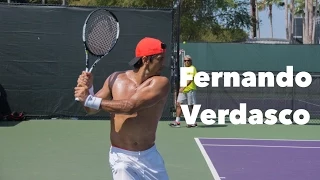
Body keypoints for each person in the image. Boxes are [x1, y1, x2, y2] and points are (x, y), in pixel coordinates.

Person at [74, 37, 170, 180]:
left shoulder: (161, 82)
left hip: (149, 158)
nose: (163, 64)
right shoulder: (115, 78)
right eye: (159, 59)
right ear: (145, 60)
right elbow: (90, 109)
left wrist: (89, 98)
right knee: (122, 168)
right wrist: (89, 89)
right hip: (121, 159)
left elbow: (130, 106)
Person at [169, 55, 198, 128]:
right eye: (185, 61)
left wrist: (183, 87)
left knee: (191, 105)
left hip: (190, 90)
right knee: (179, 104)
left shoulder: (193, 68)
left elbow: (190, 79)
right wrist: (180, 88)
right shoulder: (184, 69)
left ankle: (193, 121)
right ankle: (177, 121)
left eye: (188, 60)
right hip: (183, 90)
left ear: (191, 61)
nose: (186, 62)